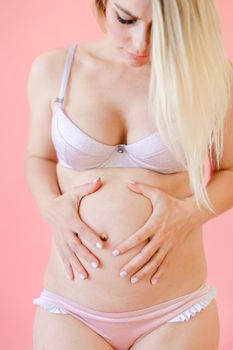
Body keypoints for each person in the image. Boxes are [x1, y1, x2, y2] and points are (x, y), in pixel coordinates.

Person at [25, 1, 233, 349]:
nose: (140, 43)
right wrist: (52, 208)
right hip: (71, 310)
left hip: (175, 313)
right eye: (126, 19)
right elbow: (38, 156)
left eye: (162, 28)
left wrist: (188, 214)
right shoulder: (54, 70)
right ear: (103, 4)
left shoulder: (214, 79)